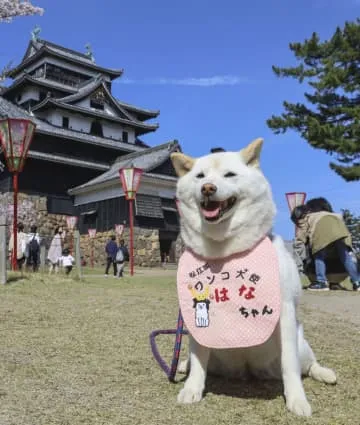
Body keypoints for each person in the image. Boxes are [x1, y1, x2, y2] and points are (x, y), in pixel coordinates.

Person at [292, 197, 360, 292]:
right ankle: (357, 282)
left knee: (318, 255)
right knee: (345, 256)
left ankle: (321, 282)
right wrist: (348, 247)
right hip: (340, 231)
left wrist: (298, 247)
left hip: (322, 231)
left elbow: (300, 238)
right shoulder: (335, 215)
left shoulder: (307, 217)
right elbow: (348, 237)